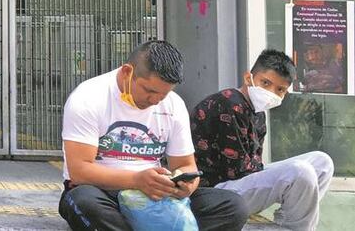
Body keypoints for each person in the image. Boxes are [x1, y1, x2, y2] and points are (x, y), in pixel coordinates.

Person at [59, 40, 248, 230]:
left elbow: (185, 164)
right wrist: (136, 180)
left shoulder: (174, 105)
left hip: (156, 193)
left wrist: (185, 185)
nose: (154, 101)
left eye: (163, 95)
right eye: (149, 90)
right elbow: (79, 171)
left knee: (233, 207)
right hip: (104, 191)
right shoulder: (88, 98)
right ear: (127, 72)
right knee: (83, 202)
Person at [191, 49, 334, 230]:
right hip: (214, 194)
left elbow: (253, 165)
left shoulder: (257, 112)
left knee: (322, 163)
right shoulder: (230, 104)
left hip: (238, 180)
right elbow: (238, 171)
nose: (271, 92)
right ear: (248, 78)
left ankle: (290, 224)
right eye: (265, 83)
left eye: (280, 89)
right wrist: (278, 180)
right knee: (300, 172)